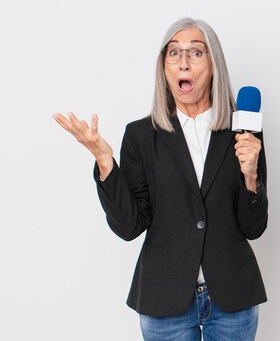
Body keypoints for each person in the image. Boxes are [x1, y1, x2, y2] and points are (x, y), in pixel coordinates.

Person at [53, 17, 268, 341]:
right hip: (164, 296)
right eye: (174, 53)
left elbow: (254, 227)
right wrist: (105, 161)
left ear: (214, 64)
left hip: (232, 296)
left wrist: (250, 174)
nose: (183, 62)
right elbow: (129, 227)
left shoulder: (242, 132)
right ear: (163, 67)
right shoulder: (141, 136)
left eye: (196, 53)